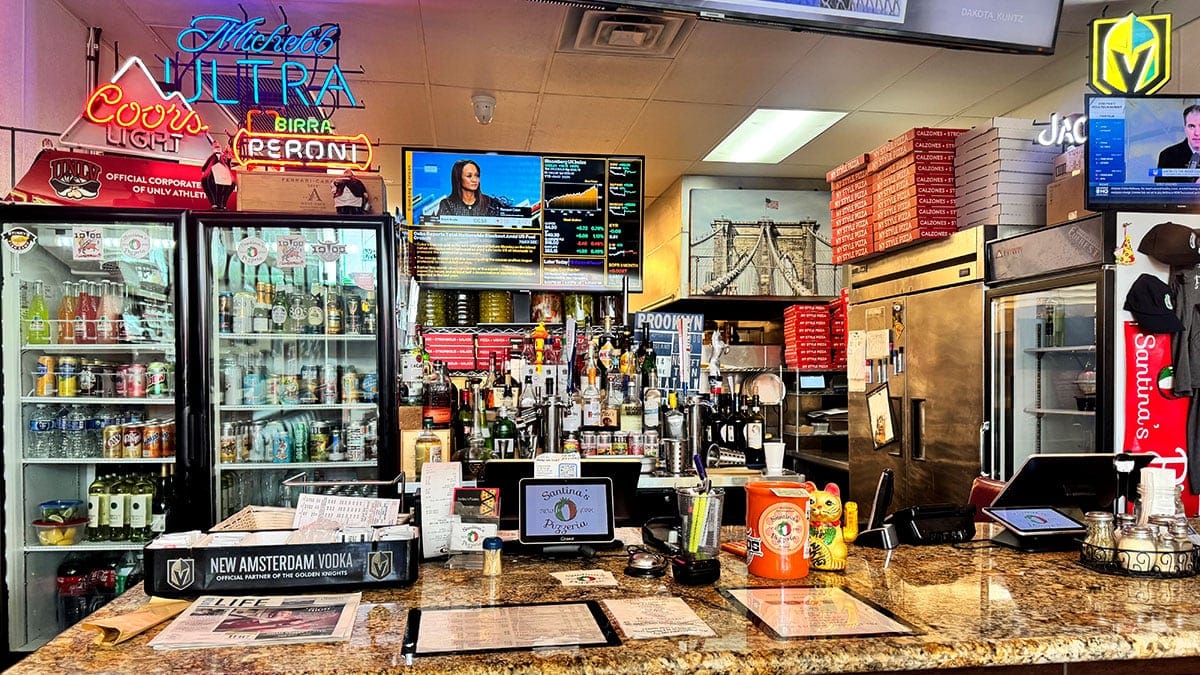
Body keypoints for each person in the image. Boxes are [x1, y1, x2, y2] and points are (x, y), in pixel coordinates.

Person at [436, 159, 501, 217]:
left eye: (477, 175)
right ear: (458, 178)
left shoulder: (490, 204)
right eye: (469, 176)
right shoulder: (447, 204)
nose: (475, 180)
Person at [1155, 104, 1200, 183]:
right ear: (1185, 129)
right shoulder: (1168, 155)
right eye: (1192, 126)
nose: (1197, 133)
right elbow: (1161, 192)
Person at [200, 142, 236, 210]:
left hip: (223, 177)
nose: (218, 148)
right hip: (213, 176)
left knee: (225, 187)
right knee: (213, 187)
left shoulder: (223, 158)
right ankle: (215, 204)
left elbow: (228, 166)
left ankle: (222, 204)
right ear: (213, 148)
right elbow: (204, 167)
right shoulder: (212, 157)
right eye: (216, 147)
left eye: (218, 147)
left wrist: (228, 159)